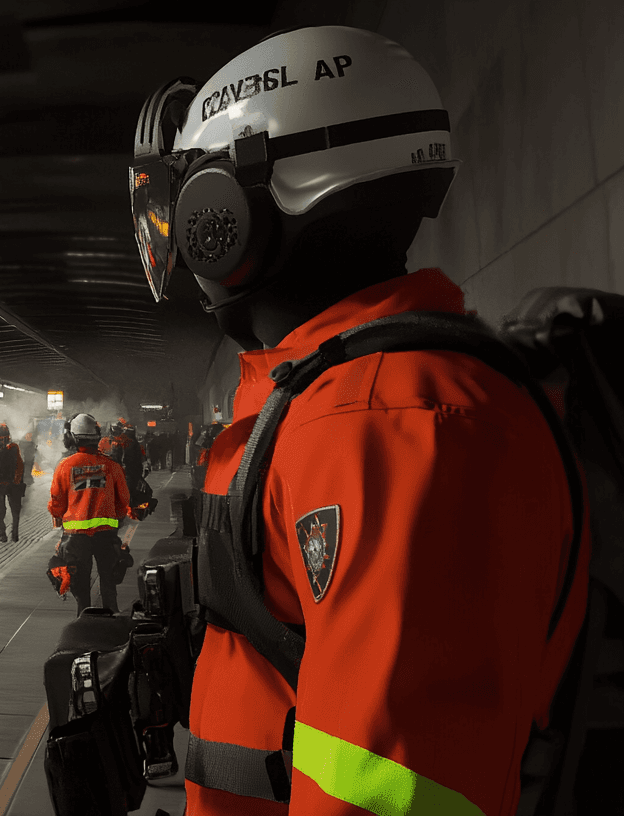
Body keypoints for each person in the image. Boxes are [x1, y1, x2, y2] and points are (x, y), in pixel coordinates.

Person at [129, 26, 588, 811]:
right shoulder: (345, 404)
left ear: (230, 206)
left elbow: (388, 793)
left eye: (186, 196)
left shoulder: (383, 424)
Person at [47, 413, 129, 614]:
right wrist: (115, 517)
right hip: (107, 535)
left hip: (76, 538)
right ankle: (112, 624)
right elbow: (124, 500)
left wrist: (59, 515)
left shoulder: (66, 466)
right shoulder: (112, 466)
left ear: (72, 438)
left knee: (80, 587)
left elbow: (57, 502)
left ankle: (83, 624)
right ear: (97, 436)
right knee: (109, 584)